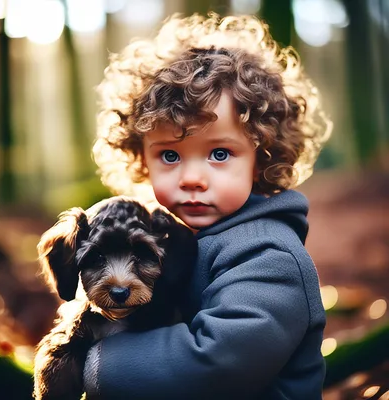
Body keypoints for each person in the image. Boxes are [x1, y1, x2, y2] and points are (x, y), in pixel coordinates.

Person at [83, 13, 332, 399]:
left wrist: (95, 362)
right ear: (140, 157)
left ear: (262, 156)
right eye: (169, 155)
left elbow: (216, 361)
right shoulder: (168, 239)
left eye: (219, 152)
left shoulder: (269, 255)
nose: (191, 178)